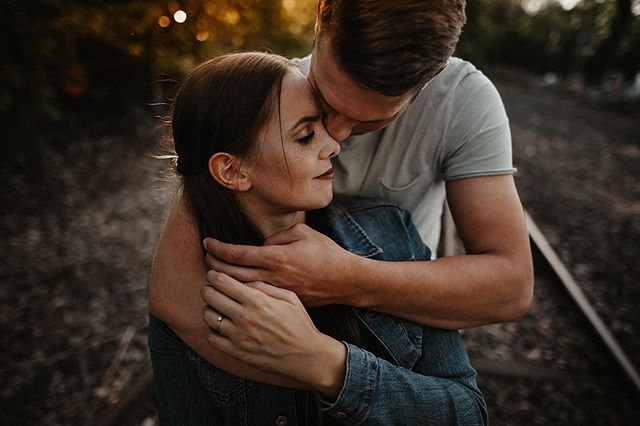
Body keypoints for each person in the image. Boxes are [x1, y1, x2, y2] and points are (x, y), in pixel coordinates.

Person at [148, 51, 487, 424]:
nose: (335, 145)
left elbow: (468, 413)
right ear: (231, 169)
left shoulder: (391, 233)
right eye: (306, 136)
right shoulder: (189, 298)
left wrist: (323, 363)